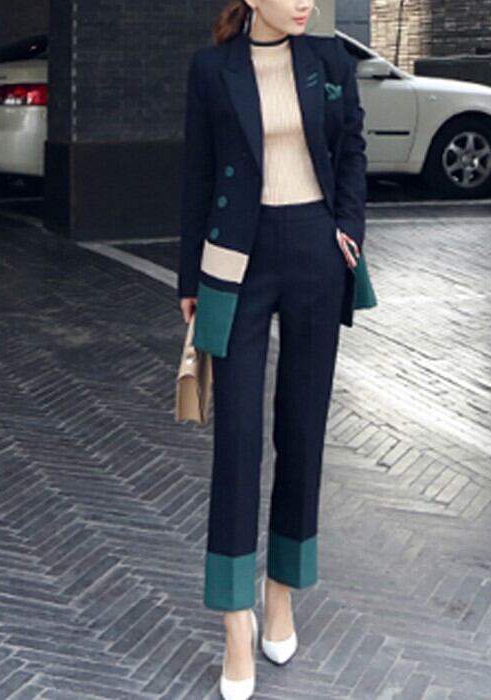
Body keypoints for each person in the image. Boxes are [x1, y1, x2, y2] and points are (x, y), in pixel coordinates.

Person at [177, 1, 374, 698]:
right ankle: (236, 619)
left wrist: (348, 227)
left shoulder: (330, 61)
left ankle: (281, 591)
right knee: (237, 438)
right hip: (237, 260)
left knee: (302, 431)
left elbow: (353, 150)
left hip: (316, 255)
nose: (304, 2)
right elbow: (198, 173)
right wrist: (189, 279)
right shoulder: (212, 70)